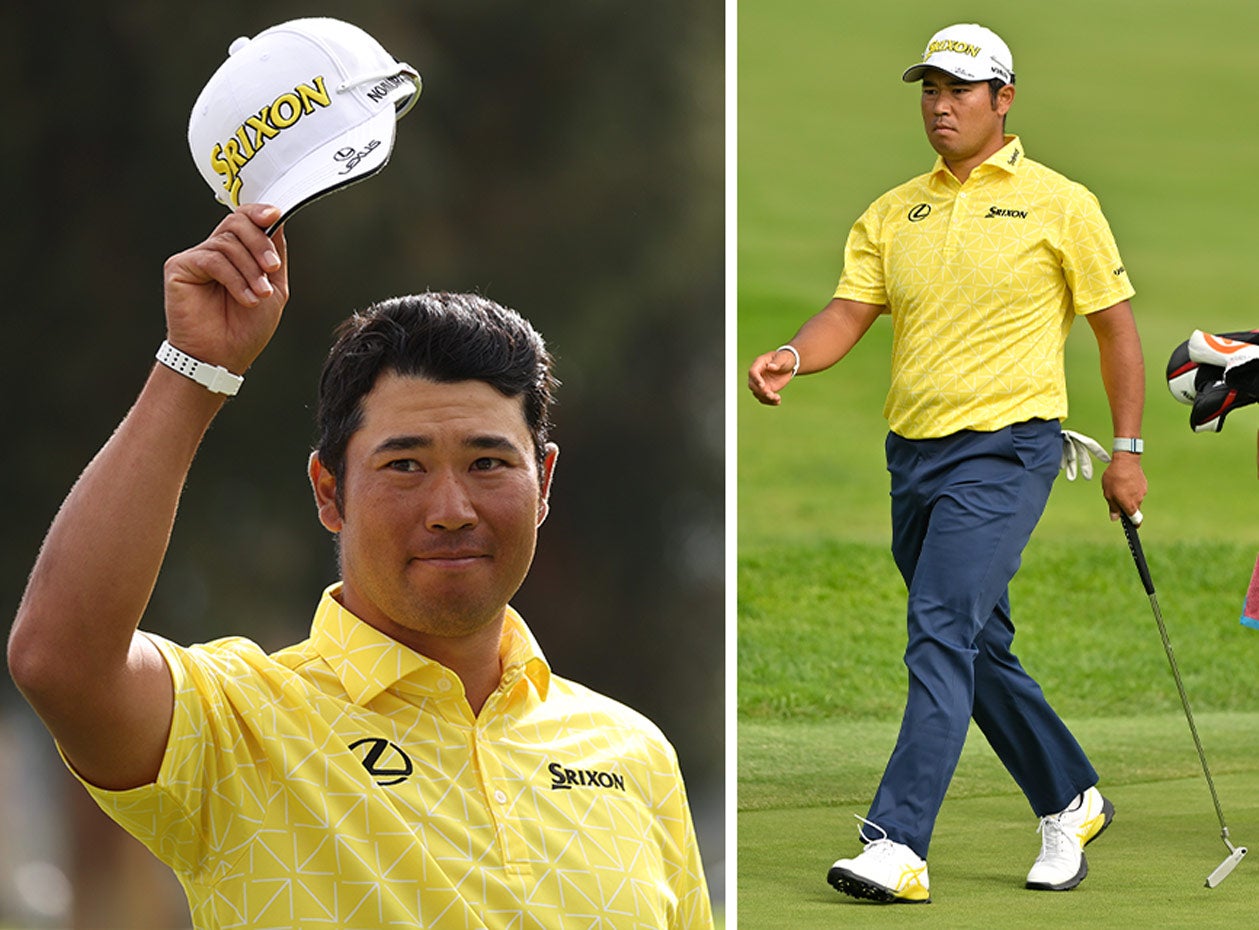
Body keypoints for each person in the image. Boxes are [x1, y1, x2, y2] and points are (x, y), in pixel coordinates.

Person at [9, 203, 713, 929]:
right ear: (328, 492)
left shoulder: (633, 751)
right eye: (404, 464)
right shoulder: (242, 727)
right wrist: (197, 368)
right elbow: (59, 660)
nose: (450, 508)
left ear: (544, 485)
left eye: (487, 462)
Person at [747, 22, 1147, 903]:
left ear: (1002, 100)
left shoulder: (1060, 202)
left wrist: (1126, 450)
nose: (939, 106)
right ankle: (1068, 797)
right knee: (974, 644)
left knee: (936, 634)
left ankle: (896, 845)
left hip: (1009, 449)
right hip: (914, 457)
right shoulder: (895, 210)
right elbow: (848, 311)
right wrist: (791, 354)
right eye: (928, 89)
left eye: (959, 91)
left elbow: (1113, 326)